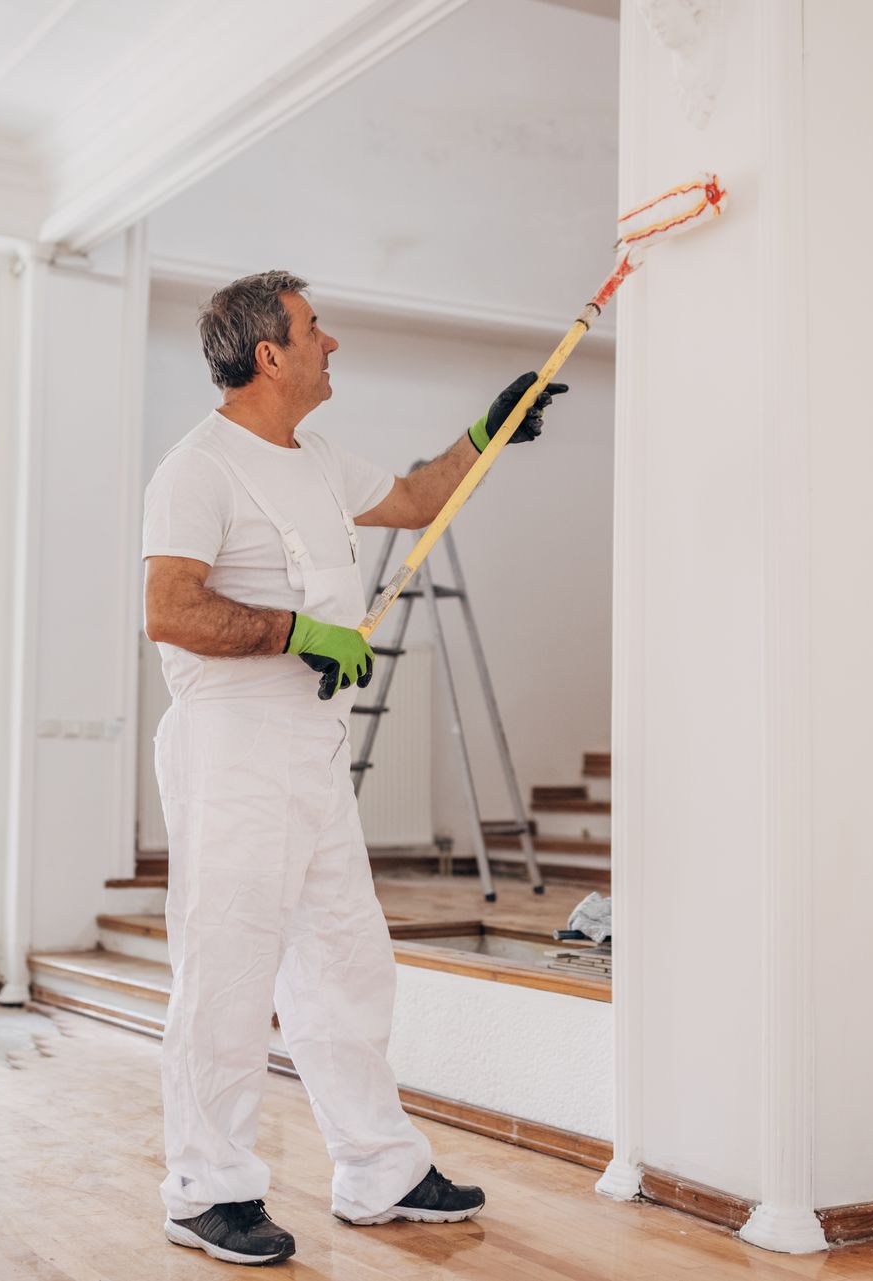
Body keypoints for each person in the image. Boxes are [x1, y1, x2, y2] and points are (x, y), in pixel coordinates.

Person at [142, 270, 565, 1267]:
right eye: (316, 329)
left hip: (311, 751)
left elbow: (419, 498)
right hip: (232, 752)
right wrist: (299, 631)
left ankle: (379, 1165)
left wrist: (491, 428)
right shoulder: (198, 468)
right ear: (268, 354)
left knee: (345, 962)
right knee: (229, 971)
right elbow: (171, 610)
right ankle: (207, 1187)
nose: (332, 345)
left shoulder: (320, 459)